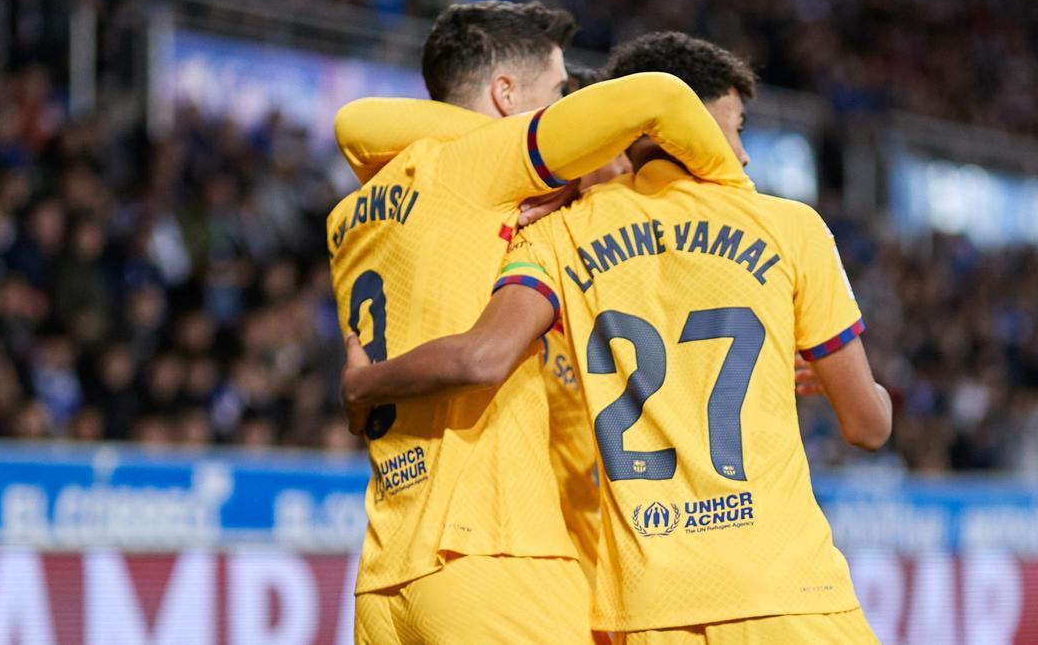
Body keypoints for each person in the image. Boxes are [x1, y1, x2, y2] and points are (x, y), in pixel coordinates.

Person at [340, 32, 890, 644]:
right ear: (692, 122)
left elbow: (483, 349)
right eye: (735, 128)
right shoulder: (788, 226)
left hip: (644, 608)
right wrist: (877, 393)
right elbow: (868, 427)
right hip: (789, 593)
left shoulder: (553, 236)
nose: (742, 153)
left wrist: (364, 383)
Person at [327, 2, 748, 643]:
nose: (562, 112)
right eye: (555, 95)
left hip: (388, 569)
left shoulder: (356, 212)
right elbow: (660, 97)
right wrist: (744, 212)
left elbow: (355, 123)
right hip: (493, 551)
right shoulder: (485, 161)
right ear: (504, 95)